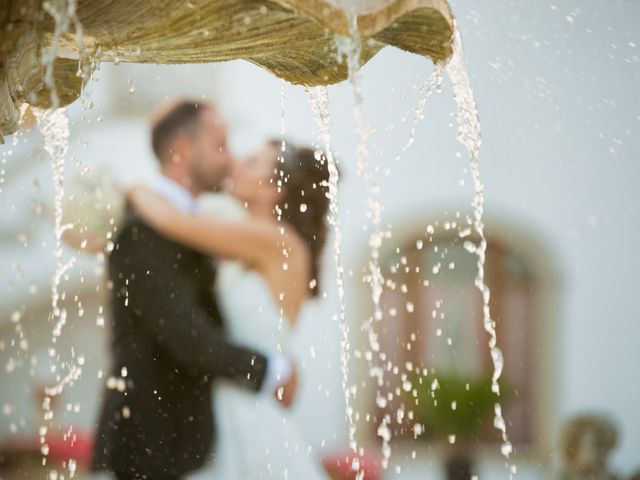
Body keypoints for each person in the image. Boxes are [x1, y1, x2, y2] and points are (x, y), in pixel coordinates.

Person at [91, 101, 298, 480]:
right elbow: (187, 337)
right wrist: (272, 368)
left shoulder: (196, 225)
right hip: (147, 446)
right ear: (183, 151)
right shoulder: (141, 229)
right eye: (220, 146)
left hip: (192, 445)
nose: (230, 159)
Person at [126, 138, 333, 479]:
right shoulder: (247, 240)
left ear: (272, 190)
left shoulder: (275, 240)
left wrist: (133, 191)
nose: (236, 163)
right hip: (221, 403)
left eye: (252, 163)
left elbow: (175, 224)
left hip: (244, 412)